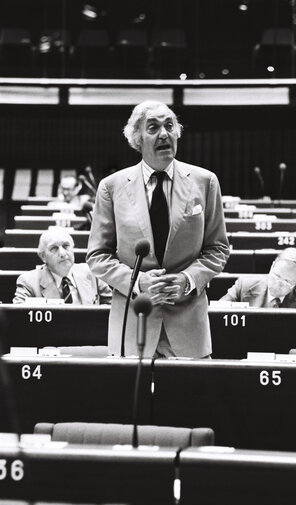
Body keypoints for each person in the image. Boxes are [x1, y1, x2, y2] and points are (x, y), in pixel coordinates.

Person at [86, 100, 230, 358]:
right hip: (133, 325)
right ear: (137, 139)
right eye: (153, 128)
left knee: (190, 399)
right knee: (132, 398)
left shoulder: (205, 182)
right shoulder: (111, 187)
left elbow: (218, 249)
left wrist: (188, 280)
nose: (164, 134)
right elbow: (97, 256)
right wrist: (138, 281)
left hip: (189, 327)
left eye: (169, 126)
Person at [13, 227, 112, 304]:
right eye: (54, 248)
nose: (62, 253)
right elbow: (19, 318)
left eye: (66, 246)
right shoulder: (29, 282)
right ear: (43, 256)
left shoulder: (91, 272)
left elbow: (113, 308)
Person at [219, 248, 296, 308]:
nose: (278, 284)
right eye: (276, 276)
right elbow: (218, 313)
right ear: (272, 267)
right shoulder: (243, 285)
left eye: (287, 282)